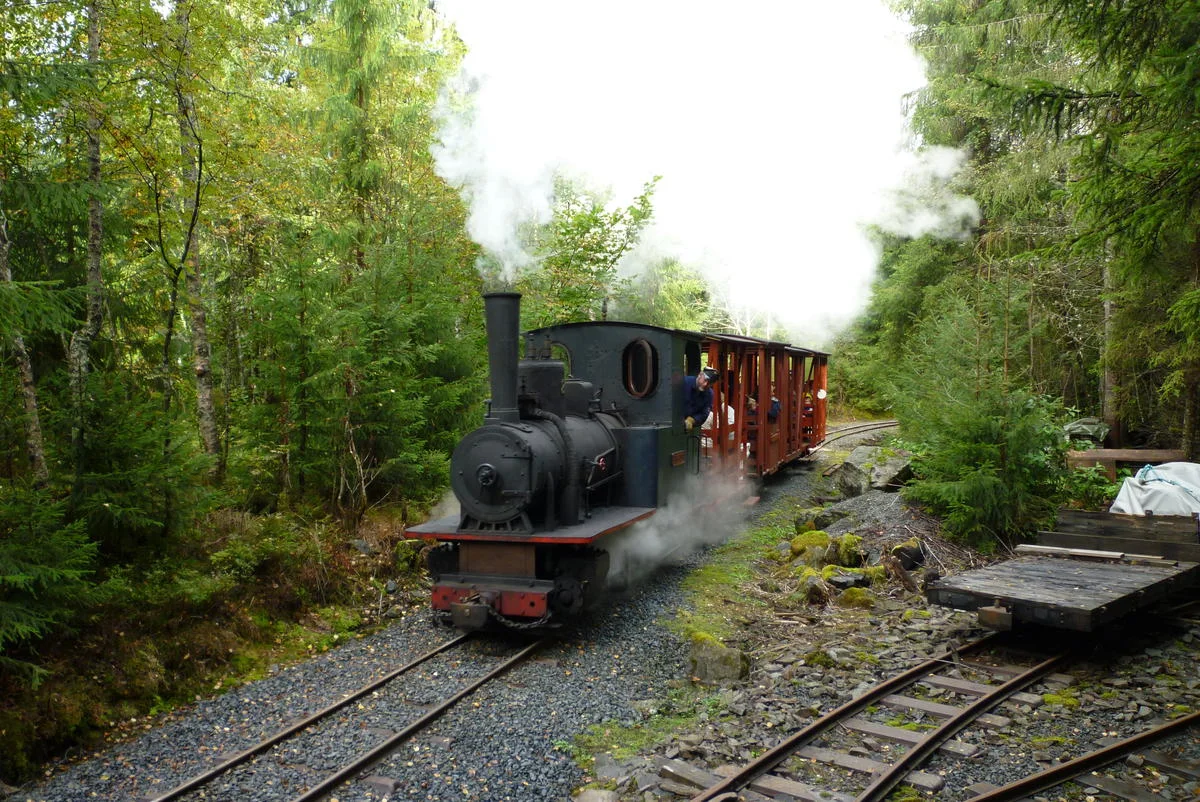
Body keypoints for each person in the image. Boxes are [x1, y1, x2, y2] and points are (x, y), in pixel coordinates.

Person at [682, 367, 718, 433]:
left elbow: (704, 413)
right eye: (705, 380)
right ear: (700, 374)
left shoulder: (709, 394)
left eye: (709, 383)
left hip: (687, 430)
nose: (705, 384)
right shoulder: (683, 382)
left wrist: (692, 420)